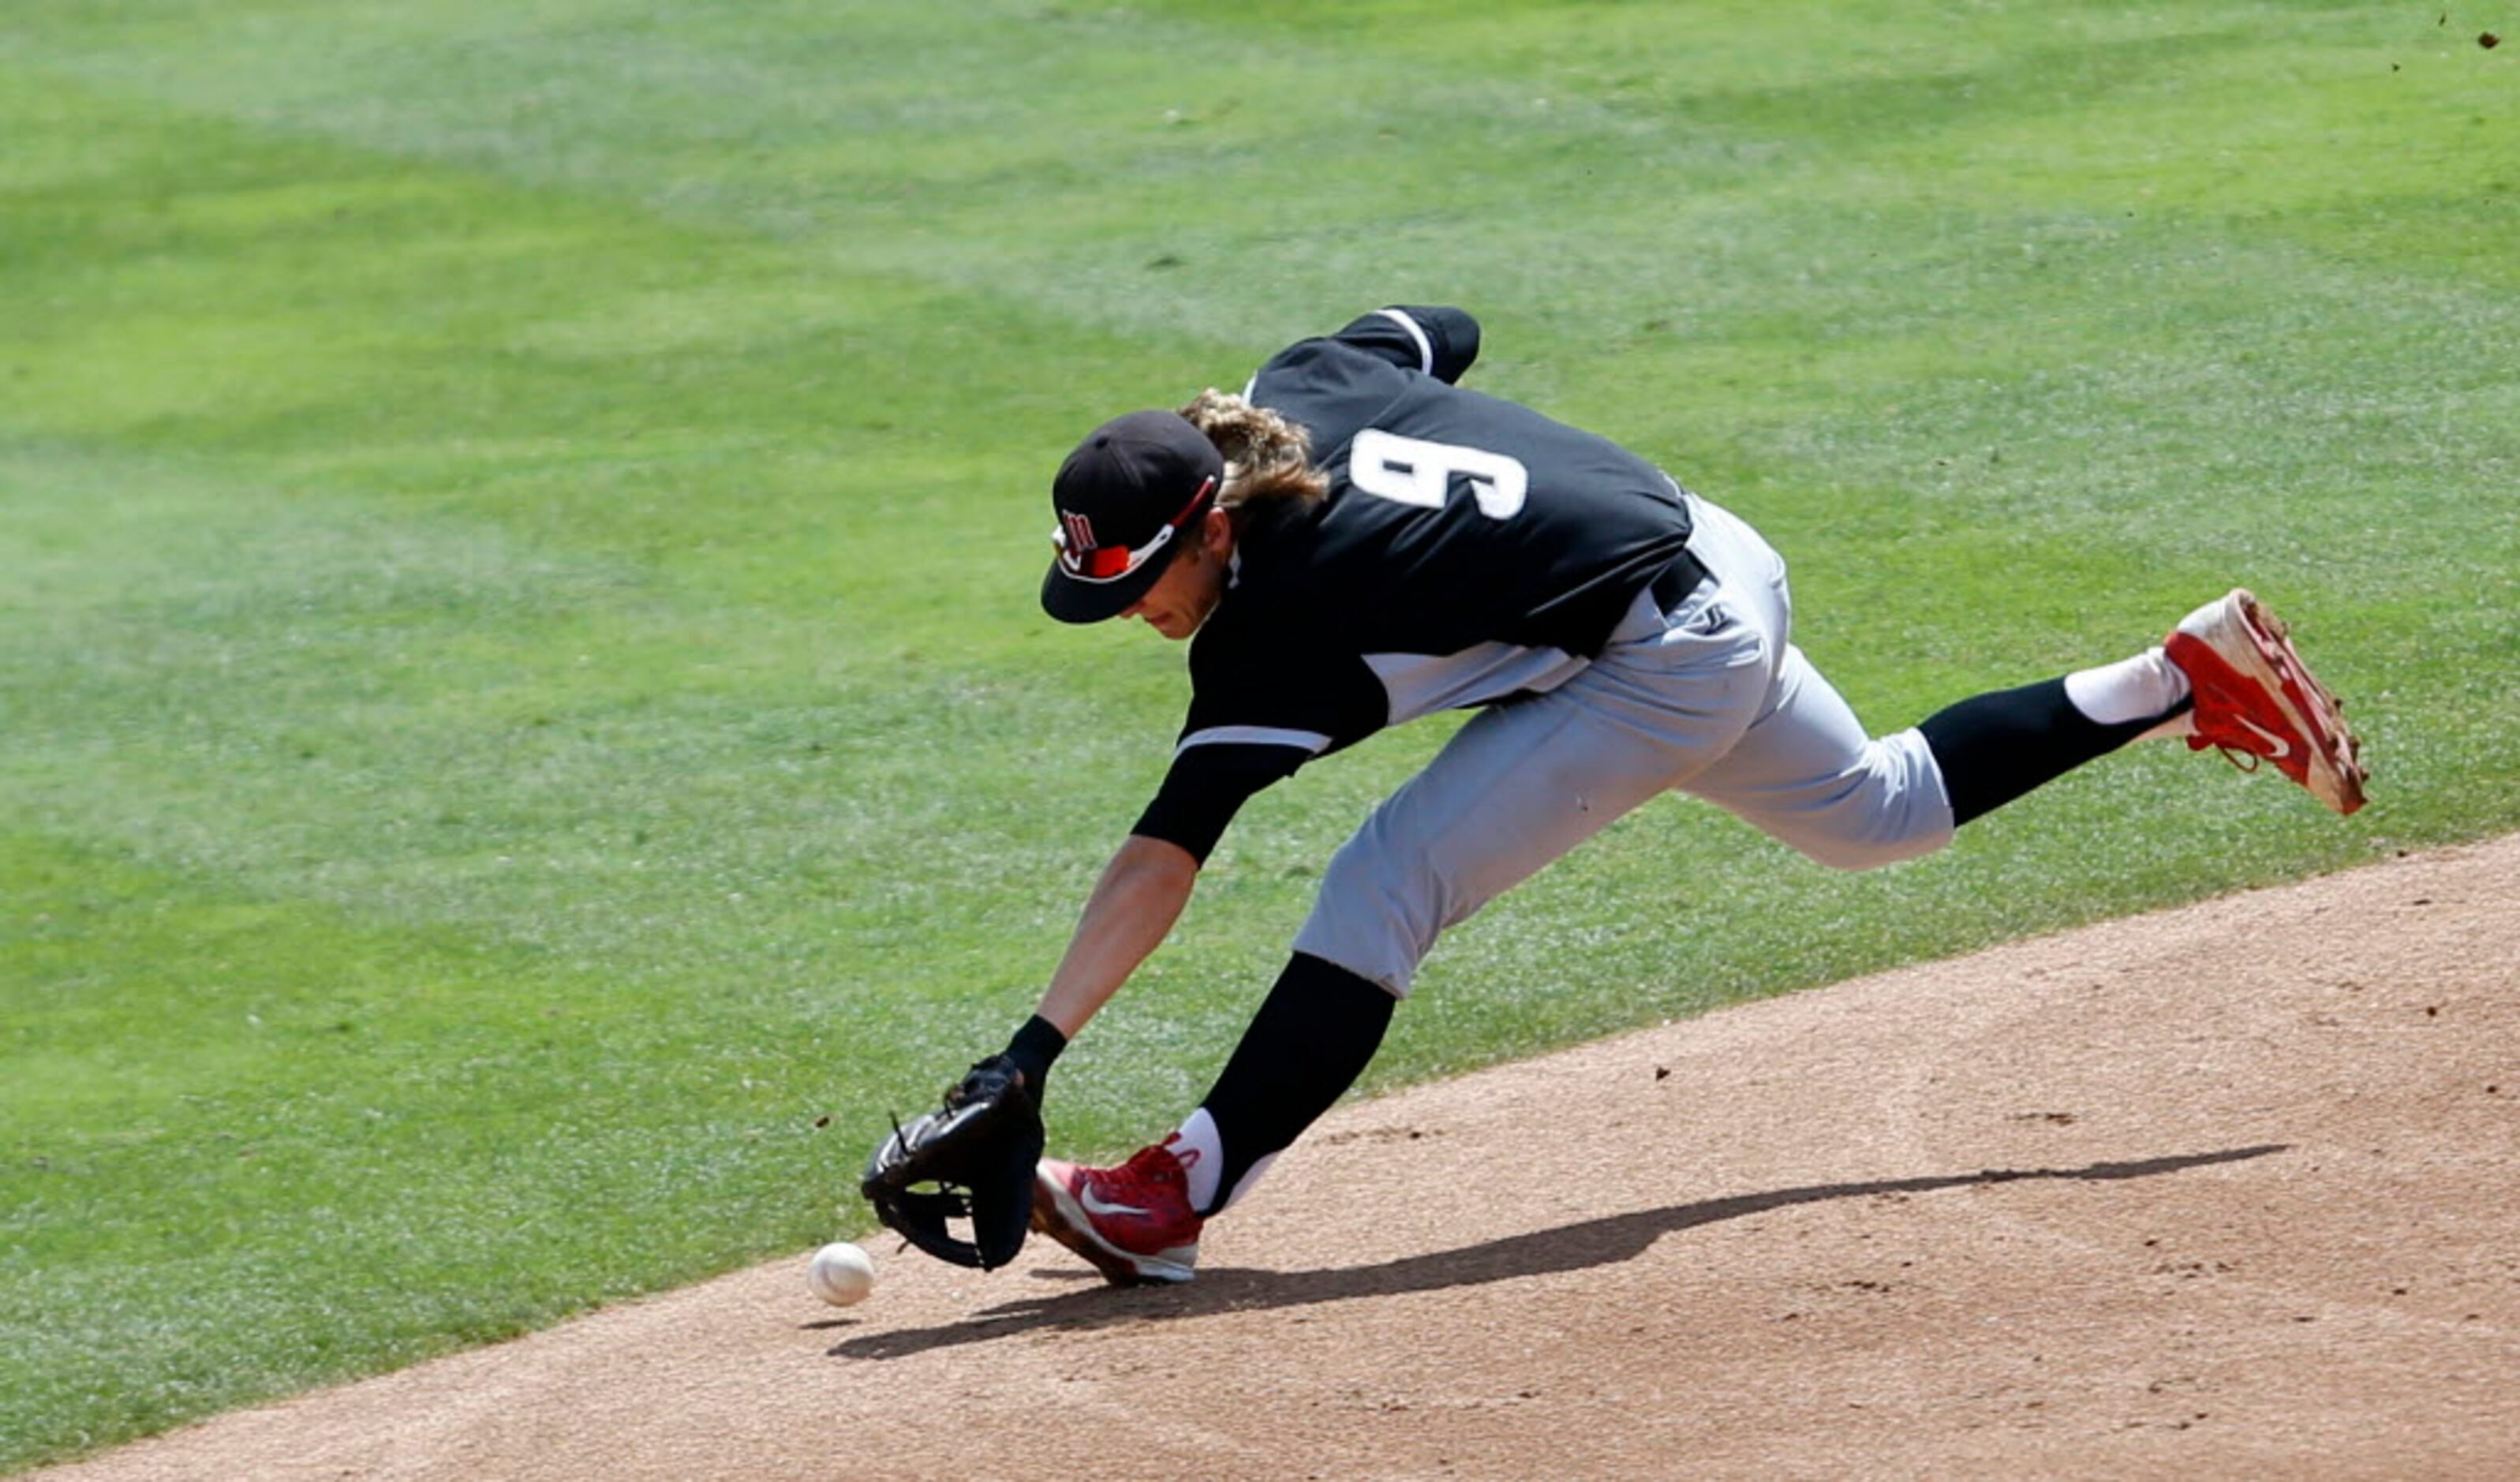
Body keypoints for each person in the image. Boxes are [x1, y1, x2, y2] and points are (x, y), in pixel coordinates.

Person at [985, 305, 2365, 1286]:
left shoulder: (1280, 629)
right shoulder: (1303, 383)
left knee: (1383, 882)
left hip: (1663, 650)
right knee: (1875, 814)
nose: (1130, 615)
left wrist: (1026, 1056)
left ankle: (1179, 1193)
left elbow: (1166, 853)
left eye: (1137, 585)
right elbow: (1434, 328)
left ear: (1215, 524)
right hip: (1714, 553)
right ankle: (2176, 673)